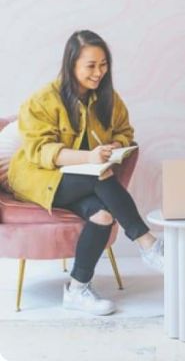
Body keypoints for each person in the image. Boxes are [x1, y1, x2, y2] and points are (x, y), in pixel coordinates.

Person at [8, 30, 163, 316]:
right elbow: (42, 151)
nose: (99, 72)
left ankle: (77, 289)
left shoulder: (107, 98)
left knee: (102, 216)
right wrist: (90, 157)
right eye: (91, 66)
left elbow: (125, 132)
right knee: (100, 176)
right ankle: (147, 243)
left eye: (103, 64)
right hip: (38, 177)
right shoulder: (42, 99)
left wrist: (117, 144)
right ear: (71, 65)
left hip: (82, 181)